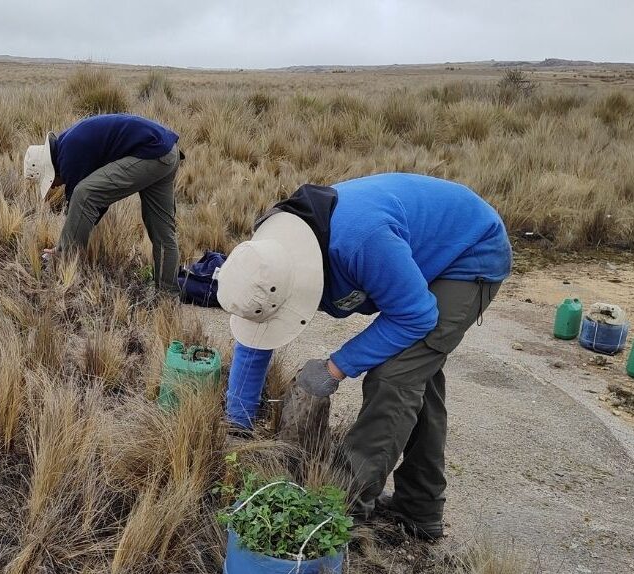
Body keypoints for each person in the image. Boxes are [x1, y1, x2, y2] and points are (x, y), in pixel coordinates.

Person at [216, 173, 512, 541]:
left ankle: (341, 508)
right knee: (417, 369)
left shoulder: (358, 241)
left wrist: (334, 367)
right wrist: (237, 424)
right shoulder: (266, 259)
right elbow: (257, 326)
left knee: (395, 375)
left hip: (469, 253)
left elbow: (416, 315)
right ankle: (419, 507)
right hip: (421, 247)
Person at [23, 113, 183, 292]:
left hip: (151, 153)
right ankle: (168, 296)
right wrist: (68, 237)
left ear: (50, 169)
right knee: (163, 231)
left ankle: (65, 269)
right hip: (167, 152)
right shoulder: (68, 142)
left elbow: (84, 202)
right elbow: (97, 203)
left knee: (83, 193)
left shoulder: (69, 156)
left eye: (50, 181)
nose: (53, 187)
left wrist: (62, 248)